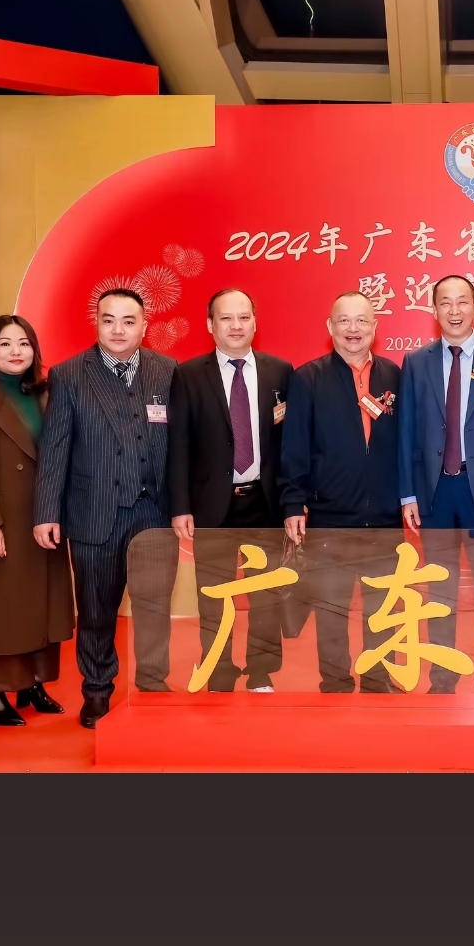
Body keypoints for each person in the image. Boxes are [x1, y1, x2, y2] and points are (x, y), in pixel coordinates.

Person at [33, 287, 178, 727]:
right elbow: (55, 447)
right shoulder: (69, 375)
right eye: (109, 320)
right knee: (96, 611)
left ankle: (153, 683)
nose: (118, 330)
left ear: (144, 326)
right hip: (95, 512)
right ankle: (97, 691)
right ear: (96, 323)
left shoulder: (168, 371)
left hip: (154, 512)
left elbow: (182, 446)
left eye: (128, 321)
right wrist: (47, 511)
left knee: (154, 608)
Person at [397, 274, 474, 693]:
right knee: (440, 590)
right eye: (445, 303)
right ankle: (442, 675)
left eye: (462, 302)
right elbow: (407, 432)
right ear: (434, 309)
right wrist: (408, 493)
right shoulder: (416, 362)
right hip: (434, 492)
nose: (454, 311)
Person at [0, 313, 75, 726]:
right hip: (3, 524)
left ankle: (32, 683)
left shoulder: (46, 396)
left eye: (23, 343)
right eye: (5, 344)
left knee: (39, 607)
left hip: (42, 520)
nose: (16, 351)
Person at [169, 287, 294, 694]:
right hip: (212, 504)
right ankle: (219, 670)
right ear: (210, 325)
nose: (236, 325)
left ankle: (261, 671)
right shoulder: (189, 374)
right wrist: (180, 505)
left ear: (255, 322)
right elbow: (179, 444)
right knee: (213, 596)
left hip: (265, 502)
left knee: (266, 594)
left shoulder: (280, 372)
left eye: (244, 317)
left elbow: (290, 443)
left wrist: (293, 502)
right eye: (226, 318)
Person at [280, 290, 403, 692]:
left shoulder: (393, 375)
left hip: (384, 517)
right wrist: (293, 502)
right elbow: (295, 446)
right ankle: (334, 682)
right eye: (344, 321)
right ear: (330, 327)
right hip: (329, 517)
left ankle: (378, 677)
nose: (353, 329)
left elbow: (408, 444)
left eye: (362, 320)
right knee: (331, 608)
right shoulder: (308, 378)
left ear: (375, 327)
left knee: (383, 606)